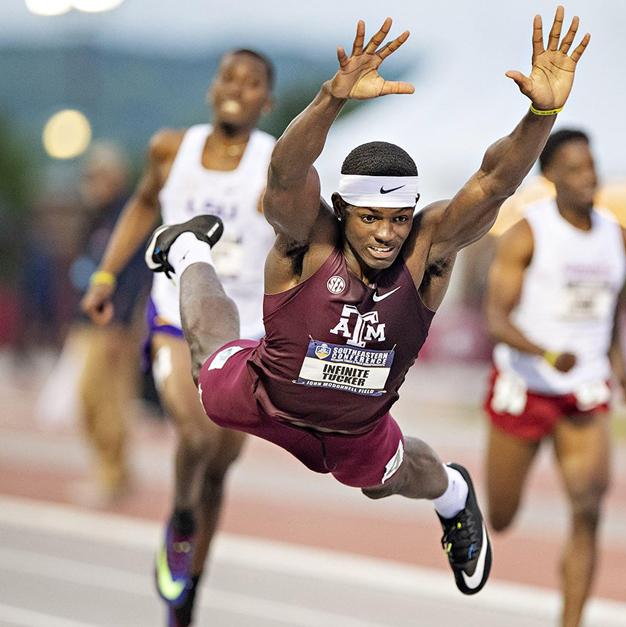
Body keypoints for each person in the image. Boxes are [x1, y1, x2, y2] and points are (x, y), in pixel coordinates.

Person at [140, 9, 589, 598]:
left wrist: (542, 114)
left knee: (389, 481)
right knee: (207, 364)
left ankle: (455, 497)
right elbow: (282, 173)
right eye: (371, 218)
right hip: (263, 397)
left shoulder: (428, 251)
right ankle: (192, 248)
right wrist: (332, 97)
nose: (385, 234)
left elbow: (494, 182)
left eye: (399, 219)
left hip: (356, 430)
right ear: (343, 211)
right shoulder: (309, 238)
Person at [81, 49, 277, 626]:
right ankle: (183, 517)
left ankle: (190, 589)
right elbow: (143, 205)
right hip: (175, 316)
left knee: (219, 464)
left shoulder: (275, 164)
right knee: (194, 430)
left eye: (253, 82)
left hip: (247, 330)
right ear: (213, 89)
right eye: (230, 77)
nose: (238, 87)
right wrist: (105, 274)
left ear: (266, 100)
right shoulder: (171, 148)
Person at [483, 128, 626, 626]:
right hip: (525, 385)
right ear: (549, 176)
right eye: (572, 168)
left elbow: (609, 309)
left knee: (589, 505)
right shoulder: (527, 232)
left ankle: (571, 620)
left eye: (590, 165)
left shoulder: (618, 233)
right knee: (502, 518)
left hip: (585, 388)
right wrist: (546, 353)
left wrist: (621, 364)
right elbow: (496, 319)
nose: (586, 176)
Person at [68, 143, 151, 505]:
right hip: (89, 321)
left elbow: (136, 276)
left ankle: (113, 475)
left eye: (97, 176)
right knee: (89, 399)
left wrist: (125, 324)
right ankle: (111, 469)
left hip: (115, 325)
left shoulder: (129, 218)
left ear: (114, 178)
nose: (91, 183)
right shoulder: (97, 216)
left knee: (108, 400)